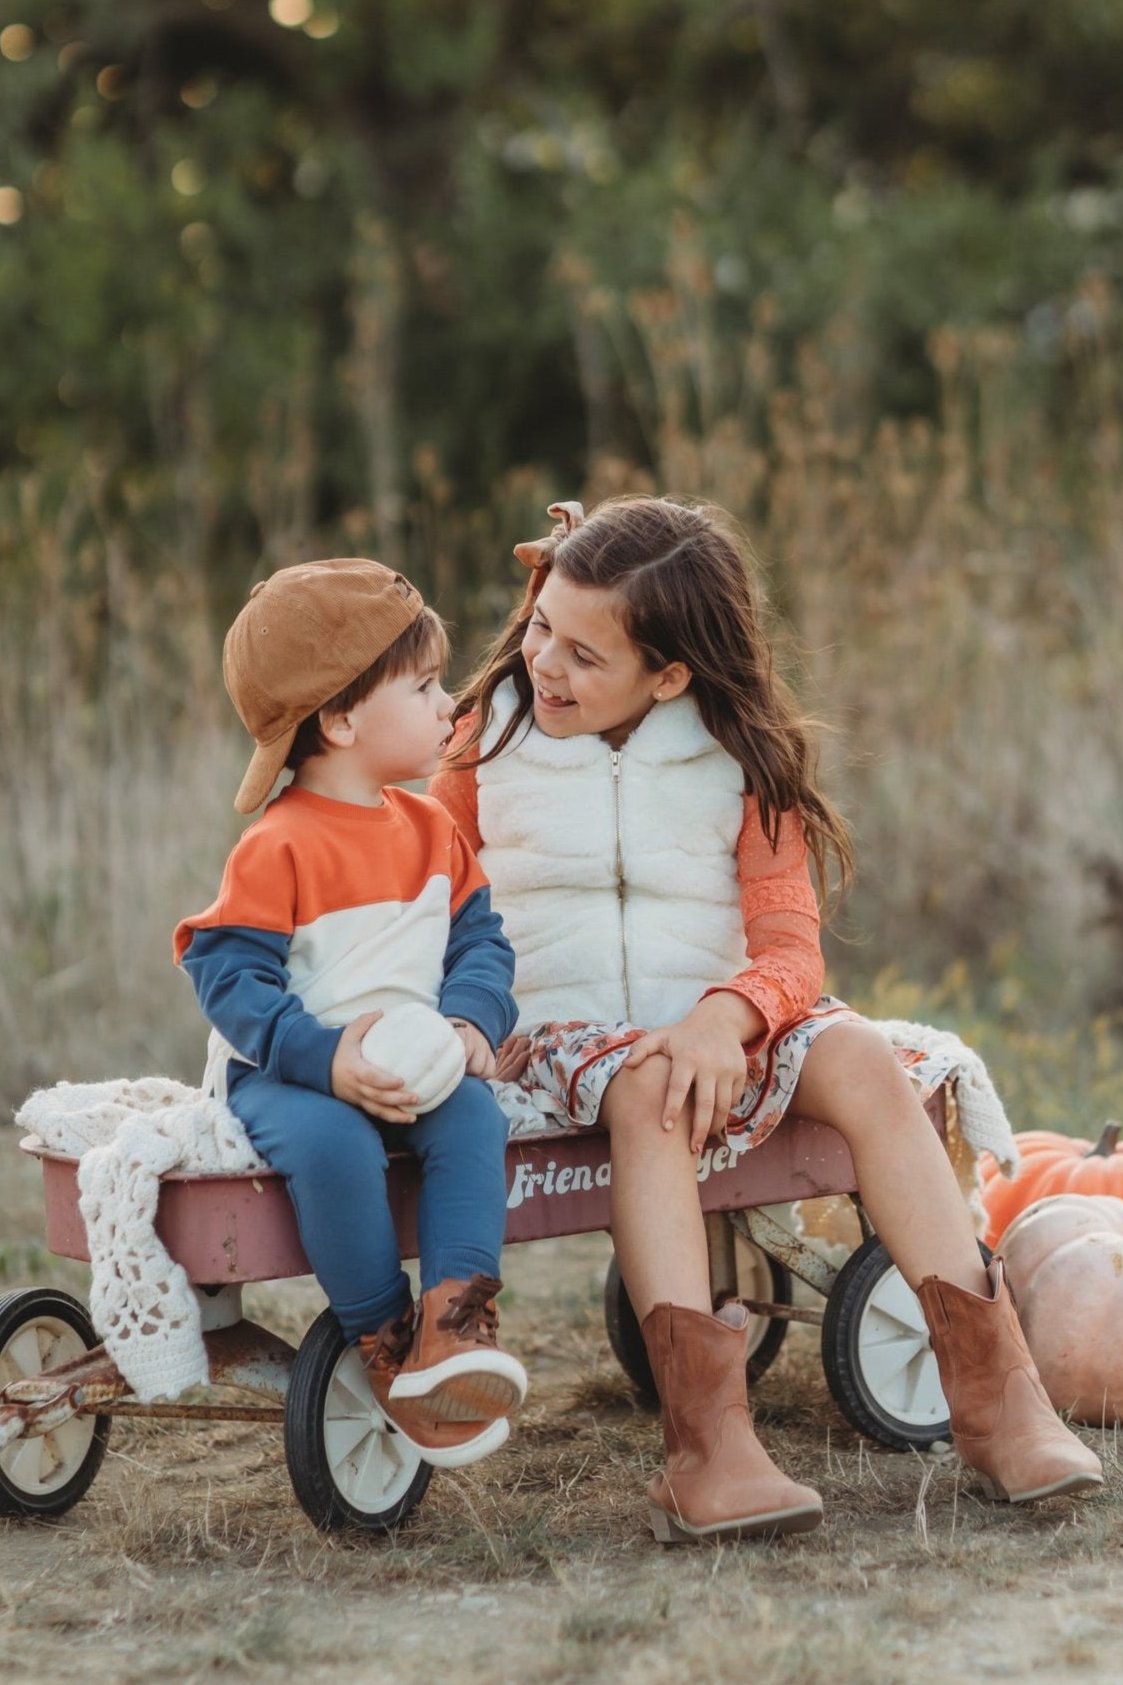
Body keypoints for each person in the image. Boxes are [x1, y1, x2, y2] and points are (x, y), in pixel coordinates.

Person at [429, 497, 1103, 1541]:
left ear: (670, 675)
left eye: (583, 652)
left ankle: (997, 1393)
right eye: (539, 629)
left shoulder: (742, 757)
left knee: (864, 1056)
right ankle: (709, 1445)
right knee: (650, 1086)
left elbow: (788, 949)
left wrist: (724, 1015)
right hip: (555, 1032)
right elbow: (418, 891)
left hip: (720, 1011)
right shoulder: (488, 739)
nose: (544, 663)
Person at [175, 557, 527, 1469]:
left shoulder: (429, 831)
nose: (448, 703)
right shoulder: (278, 844)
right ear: (337, 719)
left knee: (473, 1118)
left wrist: (470, 1024)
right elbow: (229, 973)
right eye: (422, 686)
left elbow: (480, 941)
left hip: (416, 1054)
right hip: (287, 1071)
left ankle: (455, 1323)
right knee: (336, 1145)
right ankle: (383, 1340)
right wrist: (321, 1056)